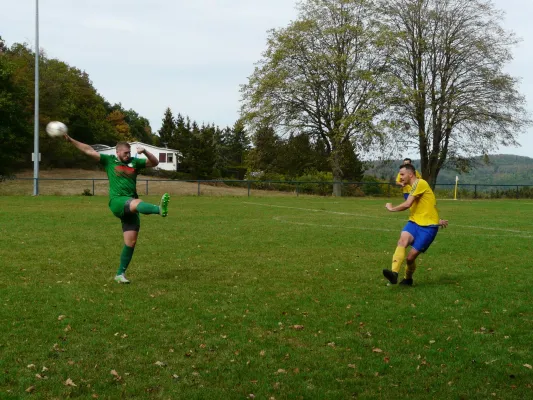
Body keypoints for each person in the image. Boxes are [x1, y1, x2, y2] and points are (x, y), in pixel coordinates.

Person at [65, 135, 170, 284]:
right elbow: (89, 150)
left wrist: (145, 151)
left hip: (131, 205)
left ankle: (119, 275)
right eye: (125, 153)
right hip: (117, 201)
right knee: (136, 202)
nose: (128, 155)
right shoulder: (109, 161)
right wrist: (71, 140)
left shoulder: (135, 162)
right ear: (118, 152)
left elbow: (155, 162)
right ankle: (158, 209)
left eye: (129, 152)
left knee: (131, 242)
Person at [383, 164, 448, 286]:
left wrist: (391, 209)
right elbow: (424, 205)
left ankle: (408, 279)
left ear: (411, 174)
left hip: (428, 228)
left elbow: (408, 204)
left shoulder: (420, 183)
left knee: (410, 258)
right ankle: (394, 274)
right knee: (402, 241)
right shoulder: (412, 186)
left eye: (402, 174)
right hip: (414, 222)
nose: (400, 177)